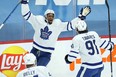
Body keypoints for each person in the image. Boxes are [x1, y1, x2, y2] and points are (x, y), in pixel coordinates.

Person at [20, 0, 91, 66]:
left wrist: (80, 17)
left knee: (39, 69)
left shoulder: (57, 25)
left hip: (46, 53)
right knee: (30, 70)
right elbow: (26, 15)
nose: (51, 18)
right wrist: (24, 3)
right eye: (49, 16)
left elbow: (70, 25)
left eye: (52, 16)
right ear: (45, 16)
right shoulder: (38, 21)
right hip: (35, 50)